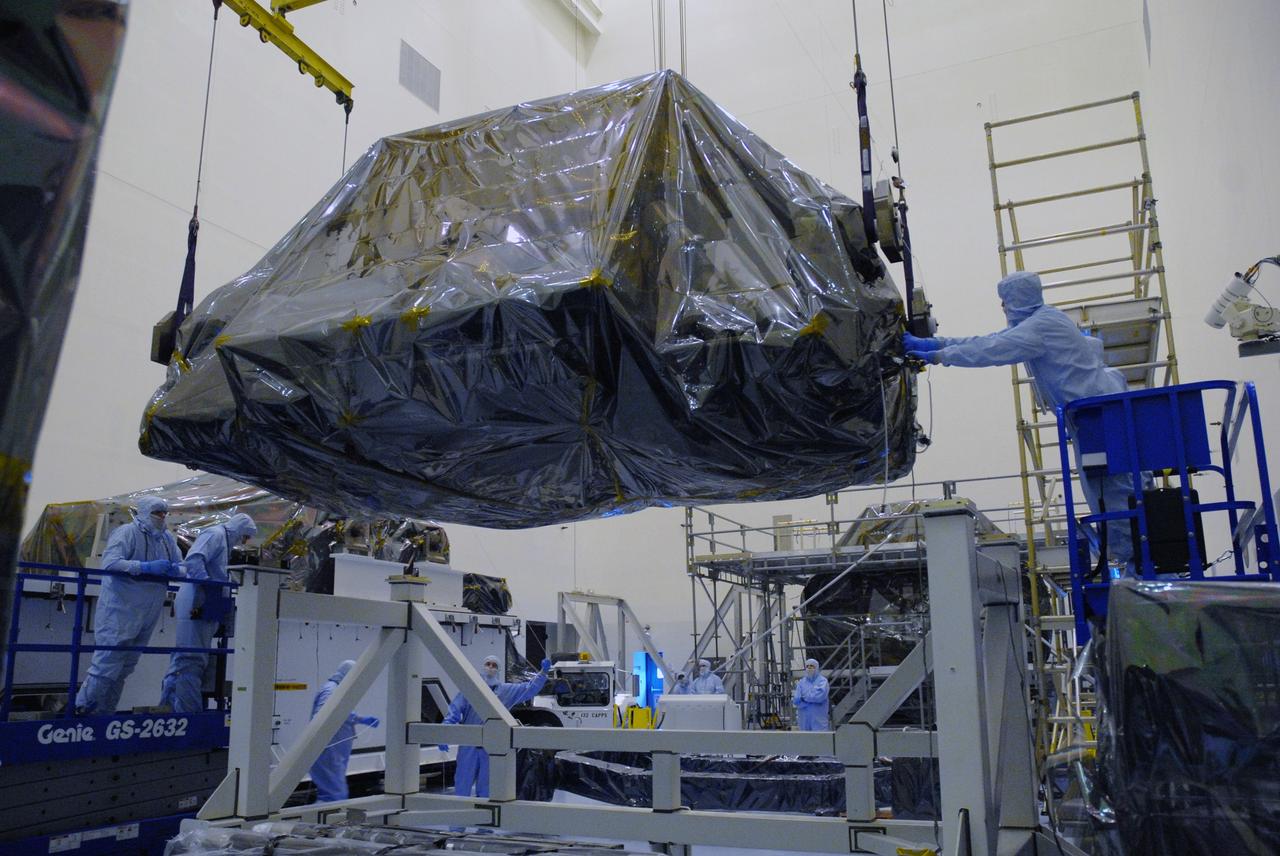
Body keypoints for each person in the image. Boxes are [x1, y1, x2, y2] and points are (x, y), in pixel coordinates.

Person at [904, 271, 1138, 566]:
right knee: (1107, 489)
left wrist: (940, 357)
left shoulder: (1041, 327)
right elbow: (987, 340)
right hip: (1092, 417)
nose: (1003, 308)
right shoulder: (1044, 321)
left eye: (1005, 301)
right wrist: (934, 345)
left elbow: (992, 350)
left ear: (1018, 299)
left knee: (1113, 490)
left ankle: (1137, 559)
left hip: (1098, 417)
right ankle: (1133, 557)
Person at [75, 496, 183, 715]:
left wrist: (176, 571)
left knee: (125, 668)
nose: (162, 517)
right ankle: (80, 709)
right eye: (157, 512)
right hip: (120, 610)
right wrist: (144, 567)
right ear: (143, 512)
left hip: (147, 612)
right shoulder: (127, 533)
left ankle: (104, 715)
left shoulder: (166, 539)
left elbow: (182, 566)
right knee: (106, 664)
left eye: (164, 513)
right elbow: (110, 562)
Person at [159, 513, 257, 712]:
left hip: (207, 602)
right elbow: (194, 560)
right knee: (191, 660)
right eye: (245, 536)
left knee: (185, 660)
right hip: (199, 600)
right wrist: (208, 585)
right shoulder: (215, 535)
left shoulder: (224, 541)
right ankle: (190, 717)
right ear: (239, 530)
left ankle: (168, 709)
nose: (244, 541)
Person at [438, 655, 551, 798]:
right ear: (482, 666)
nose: (490, 667)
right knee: (462, 782)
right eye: (488, 664)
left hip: (491, 745)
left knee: (487, 785)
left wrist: (543, 673)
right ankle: (459, 815)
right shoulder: (470, 689)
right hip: (469, 744)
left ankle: (484, 816)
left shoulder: (505, 691)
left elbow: (528, 689)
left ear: (498, 670)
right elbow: (454, 711)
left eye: (494, 665)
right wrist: (444, 733)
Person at [308, 661, 382, 802]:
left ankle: (325, 820)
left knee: (333, 793)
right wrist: (359, 719)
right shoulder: (331, 690)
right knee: (334, 795)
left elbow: (337, 712)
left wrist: (360, 719)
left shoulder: (336, 690)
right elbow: (324, 714)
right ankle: (326, 822)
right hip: (329, 751)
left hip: (333, 752)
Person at [792, 659, 830, 731]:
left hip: (819, 719)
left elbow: (819, 697)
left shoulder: (823, 681)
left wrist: (804, 698)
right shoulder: (801, 682)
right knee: (805, 740)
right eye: (807, 666)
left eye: (812, 666)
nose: (809, 668)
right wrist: (811, 698)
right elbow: (796, 700)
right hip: (804, 719)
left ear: (816, 668)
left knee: (820, 740)